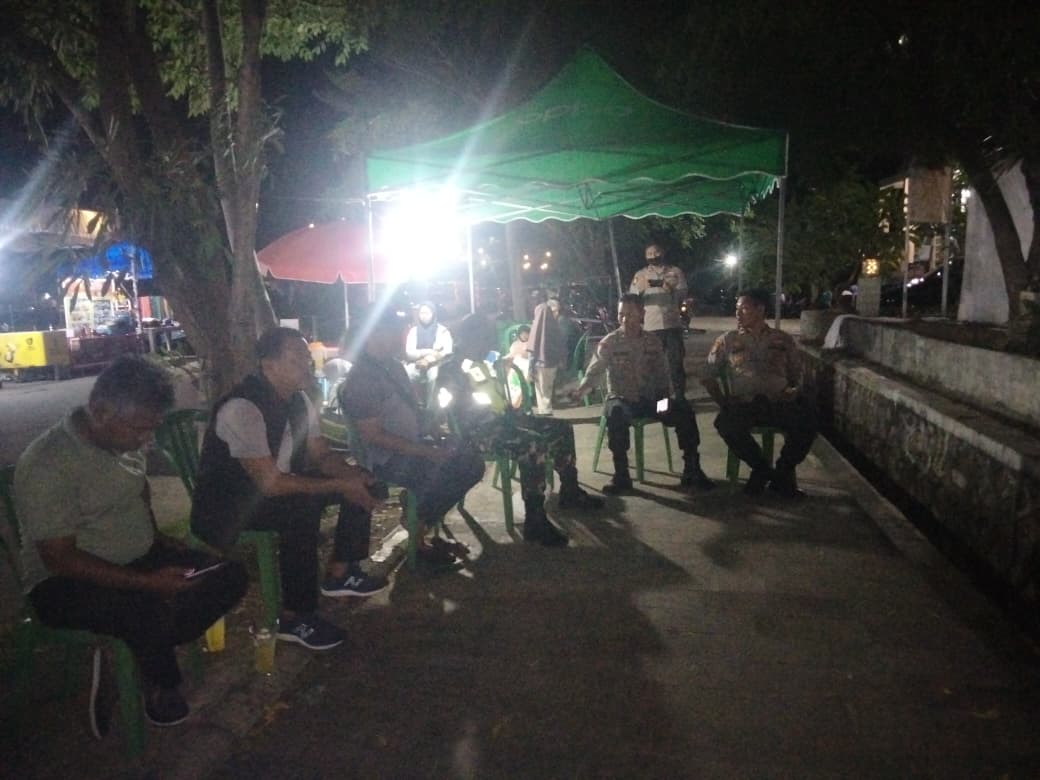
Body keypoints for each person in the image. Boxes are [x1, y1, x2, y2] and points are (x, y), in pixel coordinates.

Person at [13, 355, 249, 734]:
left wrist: (157, 539)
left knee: (229, 575)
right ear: (100, 412)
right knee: (146, 609)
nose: (146, 440)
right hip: (63, 581)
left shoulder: (122, 442)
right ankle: (160, 683)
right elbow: (59, 558)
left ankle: (132, 647)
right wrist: (148, 584)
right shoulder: (48, 463)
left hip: (140, 558)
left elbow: (138, 492)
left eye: (151, 429)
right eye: (140, 430)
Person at [191, 327, 384, 653]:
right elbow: (270, 483)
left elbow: (320, 455)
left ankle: (341, 571)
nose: (308, 365)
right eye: (297, 359)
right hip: (229, 506)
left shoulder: (299, 401)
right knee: (300, 510)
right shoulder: (243, 408)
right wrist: (341, 483)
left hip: (269, 490)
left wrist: (353, 476)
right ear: (269, 365)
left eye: (308, 358)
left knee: (364, 482)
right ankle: (296, 617)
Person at [438, 314, 603, 546]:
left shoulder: (485, 360)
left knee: (560, 428)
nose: (489, 343)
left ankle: (570, 490)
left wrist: (508, 407)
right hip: (477, 431)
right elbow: (453, 411)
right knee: (532, 444)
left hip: (503, 419)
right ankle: (534, 518)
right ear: (470, 338)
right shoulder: (451, 369)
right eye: (485, 338)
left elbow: (498, 393)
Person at [338, 308, 485, 569]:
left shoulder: (393, 367)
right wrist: (427, 451)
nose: (401, 337)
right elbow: (374, 436)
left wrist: (433, 430)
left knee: (470, 463)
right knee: (446, 469)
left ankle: (420, 523)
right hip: (385, 460)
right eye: (396, 331)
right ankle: (418, 533)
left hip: (410, 448)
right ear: (375, 334)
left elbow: (411, 410)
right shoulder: (362, 379)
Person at [575, 294, 715, 495]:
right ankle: (621, 474)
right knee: (616, 414)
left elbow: (662, 374)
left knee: (683, 410)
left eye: (630, 314)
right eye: (621, 314)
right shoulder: (610, 342)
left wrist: (665, 399)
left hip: (652, 402)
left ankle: (692, 468)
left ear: (642, 314)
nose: (625, 319)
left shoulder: (653, 341)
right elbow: (594, 372)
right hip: (622, 400)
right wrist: (581, 391)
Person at [701, 288, 818, 497]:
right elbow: (707, 375)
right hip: (745, 404)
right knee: (725, 423)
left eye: (744, 309)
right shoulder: (727, 340)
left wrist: (794, 390)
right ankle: (761, 468)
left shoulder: (782, 339)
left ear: (760, 309)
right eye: (737, 309)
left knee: (809, 421)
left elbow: (797, 374)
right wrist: (723, 401)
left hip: (778, 402)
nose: (738, 314)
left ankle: (783, 469)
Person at [629, 239, 689, 397]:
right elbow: (632, 298)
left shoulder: (675, 272)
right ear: (645, 256)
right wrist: (641, 290)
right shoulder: (640, 275)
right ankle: (661, 400)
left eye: (656, 252)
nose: (653, 256)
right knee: (655, 365)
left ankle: (680, 397)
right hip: (651, 326)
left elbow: (683, 293)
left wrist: (670, 288)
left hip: (672, 324)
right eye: (649, 253)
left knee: (676, 363)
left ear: (662, 253)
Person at [404, 301, 453, 408]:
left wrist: (428, 359)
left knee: (434, 376)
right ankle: (412, 404)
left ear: (433, 314)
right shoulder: (413, 331)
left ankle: (431, 408)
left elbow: (446, 351)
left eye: (427, 313)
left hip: (436, 364)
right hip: (416, 364)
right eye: (421, 313)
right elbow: (409, 353)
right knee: (406, 373)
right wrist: (429, 352)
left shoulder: (442, 331)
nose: (424, 316)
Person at [527, 295, 566, 415]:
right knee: (547, 390)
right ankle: (546, 411)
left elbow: (532, 349)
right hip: (552, 364)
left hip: (540, 364)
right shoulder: (555, 327)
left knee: (541, 391)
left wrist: (530, 368)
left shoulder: (537, 327)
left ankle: (545, 412)